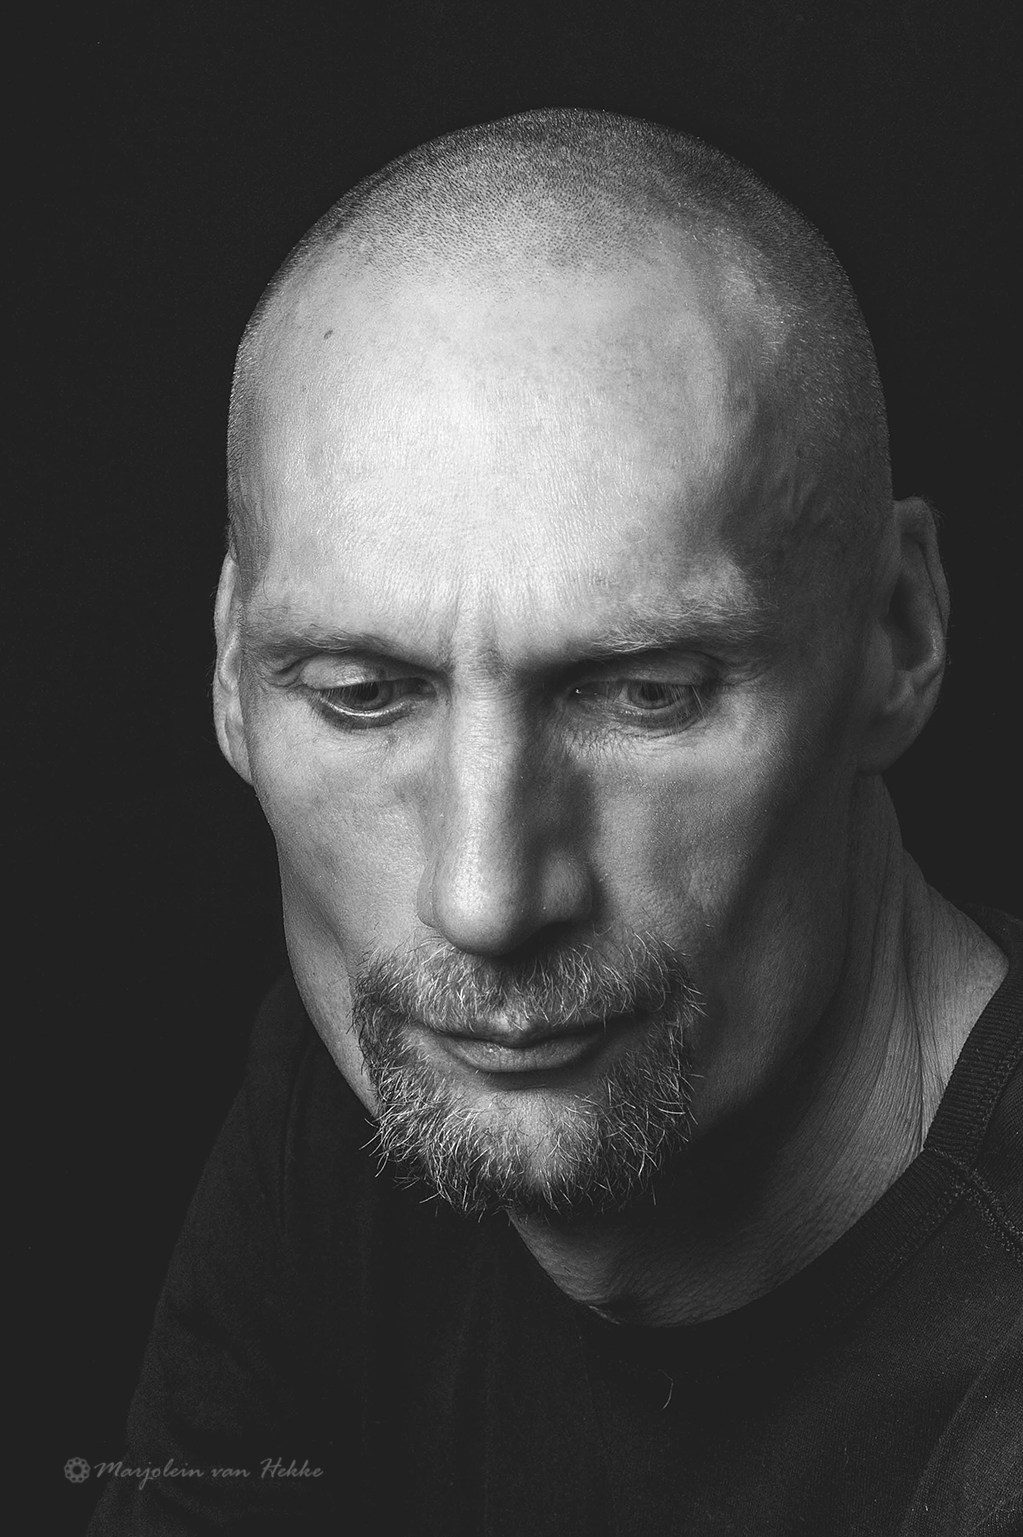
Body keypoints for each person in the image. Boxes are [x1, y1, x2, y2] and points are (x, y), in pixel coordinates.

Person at [89, 109, 1021, 1536]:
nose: (483, 899)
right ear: (228, 671)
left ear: (897, 632)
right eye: (361, 694)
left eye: (646, 694)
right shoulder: (357, 1104)